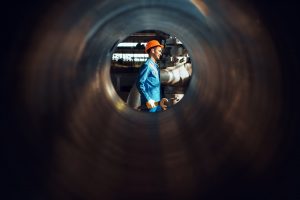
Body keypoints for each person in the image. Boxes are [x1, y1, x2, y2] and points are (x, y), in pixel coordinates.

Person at [136, 40, 164, 112]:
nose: (161, 53)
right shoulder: (147, 65)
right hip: (150, 105)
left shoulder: (155, 66)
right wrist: (148, 99)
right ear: (152, 51)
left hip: (157, 103)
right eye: (159, 51)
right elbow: (139, 83)